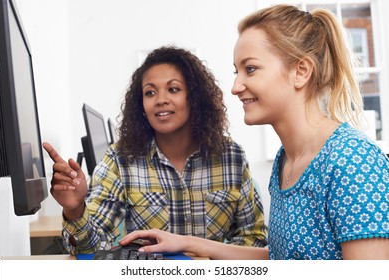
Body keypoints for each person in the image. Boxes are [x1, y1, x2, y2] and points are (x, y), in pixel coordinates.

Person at [120, 5, 389, 260]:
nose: (236, 86)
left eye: (250, 69)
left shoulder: (352, 161)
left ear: (301, 72)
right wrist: (186, 242)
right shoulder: (286, 160)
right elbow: (281, 258)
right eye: (237, 72)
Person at [43, 46, 267, 255]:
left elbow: (254, 239)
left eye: (173, 89)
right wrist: (75, 210)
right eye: (150, 93)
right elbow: (92, 248)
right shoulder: (120, 160)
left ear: (194, 97)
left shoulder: (231, 158)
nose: (160, 100)